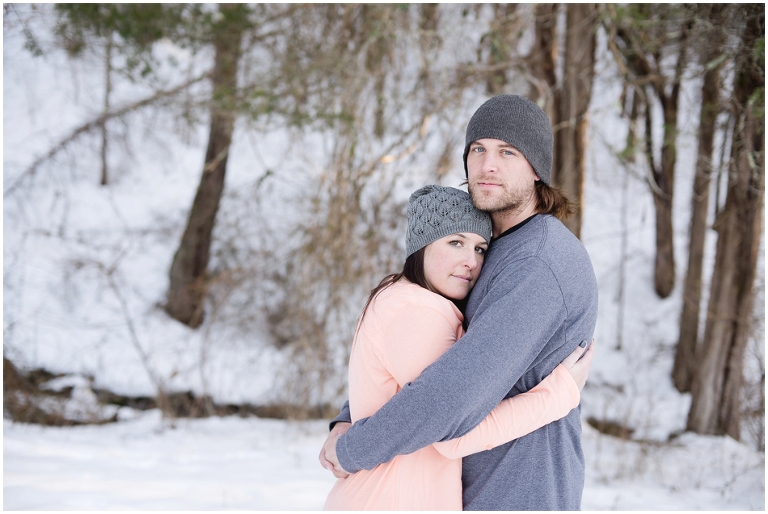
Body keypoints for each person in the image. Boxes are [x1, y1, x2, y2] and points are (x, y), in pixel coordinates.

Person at [320, 95, 599, 510]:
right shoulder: (487, 247)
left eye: (507, 152)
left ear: (537, 169)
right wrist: (350, 416)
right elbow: (429, 363)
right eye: (478, 150)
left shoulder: (537, 262)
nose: (488, 165)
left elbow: (449, 400)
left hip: (518, 493)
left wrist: (353, 448)